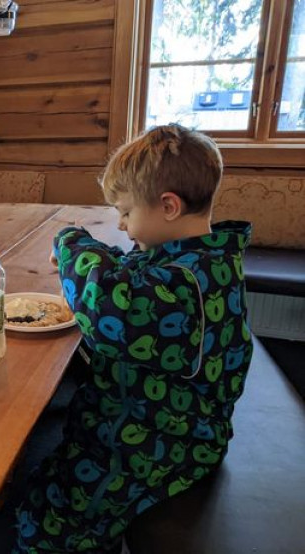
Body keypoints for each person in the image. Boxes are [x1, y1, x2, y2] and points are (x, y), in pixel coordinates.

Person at [13, 124, 254, 553]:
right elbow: (128, 271)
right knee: (43, 477)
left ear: (168, 206)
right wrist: (96, 253)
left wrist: (70, 241)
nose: (122, 225)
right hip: (155, 417)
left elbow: (109, 308)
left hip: (167, 441)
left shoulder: (184, 288)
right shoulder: (196, 258)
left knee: (55, 519)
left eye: (125, 212)